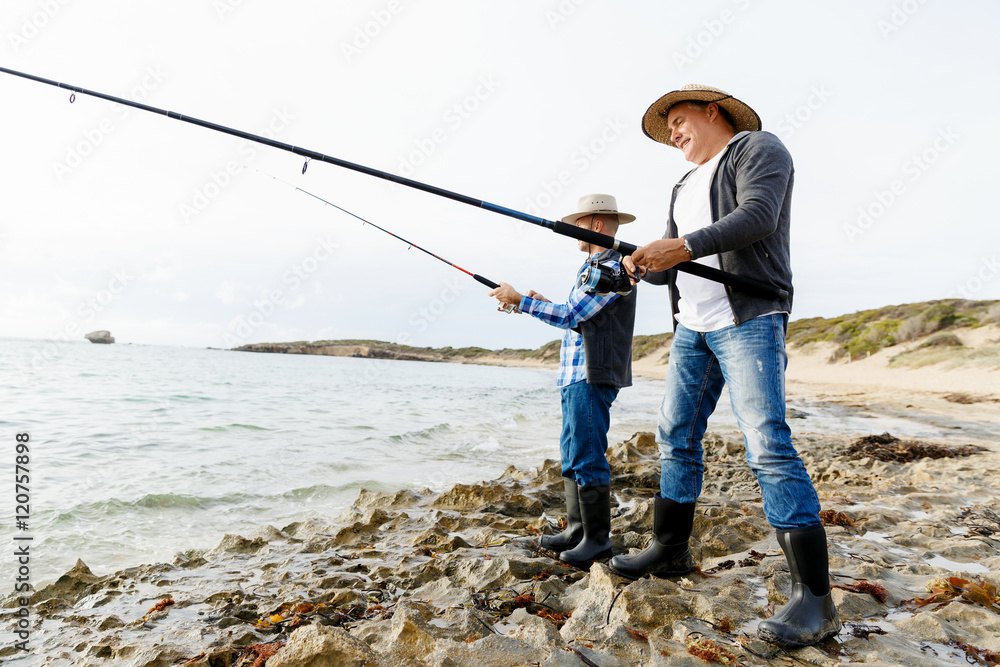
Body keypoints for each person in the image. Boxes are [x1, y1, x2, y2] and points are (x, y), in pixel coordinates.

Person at [611, 85, 840, 648]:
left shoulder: (758, 148)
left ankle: (816, 599)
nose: (673, 134)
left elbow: (757, 217)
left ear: (713, 112)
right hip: (694, 325)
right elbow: (674, 260)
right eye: (667, 129)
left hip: (750, 318)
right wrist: (645, 262)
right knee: (675, 434)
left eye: (680, 121)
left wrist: (680, 247)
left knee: (765, 441)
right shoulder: (683, 182)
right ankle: (670, 549)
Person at [489, 194, 637, 568]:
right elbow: (580, 316)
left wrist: (522, 300)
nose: (572, 230)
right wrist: (537, 301)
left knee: (587, 455)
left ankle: (598, 541)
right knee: (572, 453)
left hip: (592, 375)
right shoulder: (591, 266)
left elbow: (573, 316)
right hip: (574, 375)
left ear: (597, 225)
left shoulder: (615, 267)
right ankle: (577, 531)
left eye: (578, 223)